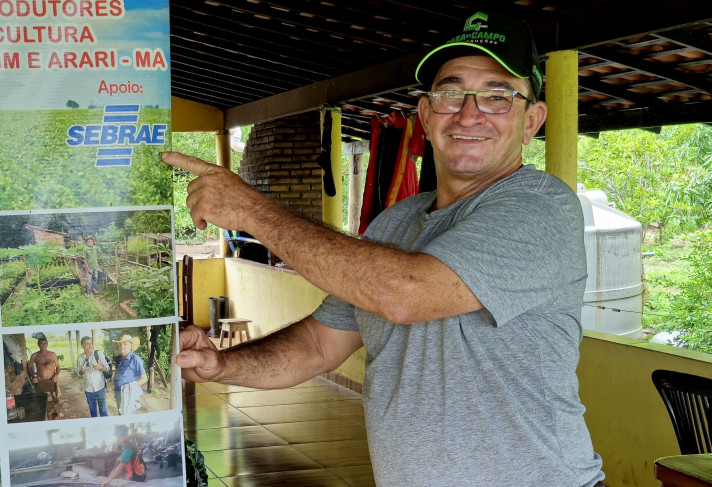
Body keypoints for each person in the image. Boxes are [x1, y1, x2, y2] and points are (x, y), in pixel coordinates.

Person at [164, 10, 604, 487]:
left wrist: (251, 211)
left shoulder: (542, 208)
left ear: (531, 121)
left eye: (498, 96)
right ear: (426, 115)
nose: (470, 113)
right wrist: (221, 364)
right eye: (451, 93)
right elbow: (317, 345)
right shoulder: (396, 223)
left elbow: (405, 294)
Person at [76, 336, 110, 417]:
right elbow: (78, 372)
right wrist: (81, 372)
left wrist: (101, 367)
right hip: (88, 389)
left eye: (91, 343)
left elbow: (108, 368)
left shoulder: (98, 354)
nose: (90, 346)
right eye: (87, 344)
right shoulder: (80, 358)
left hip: (100, 387)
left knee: (103, 410)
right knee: (92, 411)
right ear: (82, 346)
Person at [112, 335, 146, 415]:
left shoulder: (135, 359)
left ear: (131, 346)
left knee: (129, 415)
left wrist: (131, 388)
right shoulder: (119, 358)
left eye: (125, 344)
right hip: (118, 392)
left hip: (128, 394)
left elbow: (144, 378)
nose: (122, 346)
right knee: (121, 412)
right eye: (120, 345)